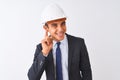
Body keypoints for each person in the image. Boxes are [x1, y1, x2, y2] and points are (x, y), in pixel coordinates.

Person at [28, 3, 92, 80]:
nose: (61, 29)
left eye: (63, 24)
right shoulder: (41, 48)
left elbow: (86, 72)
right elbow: (32, 77)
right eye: (54, 25)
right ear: (46, 28)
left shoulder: (78, 43)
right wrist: (45, 52)